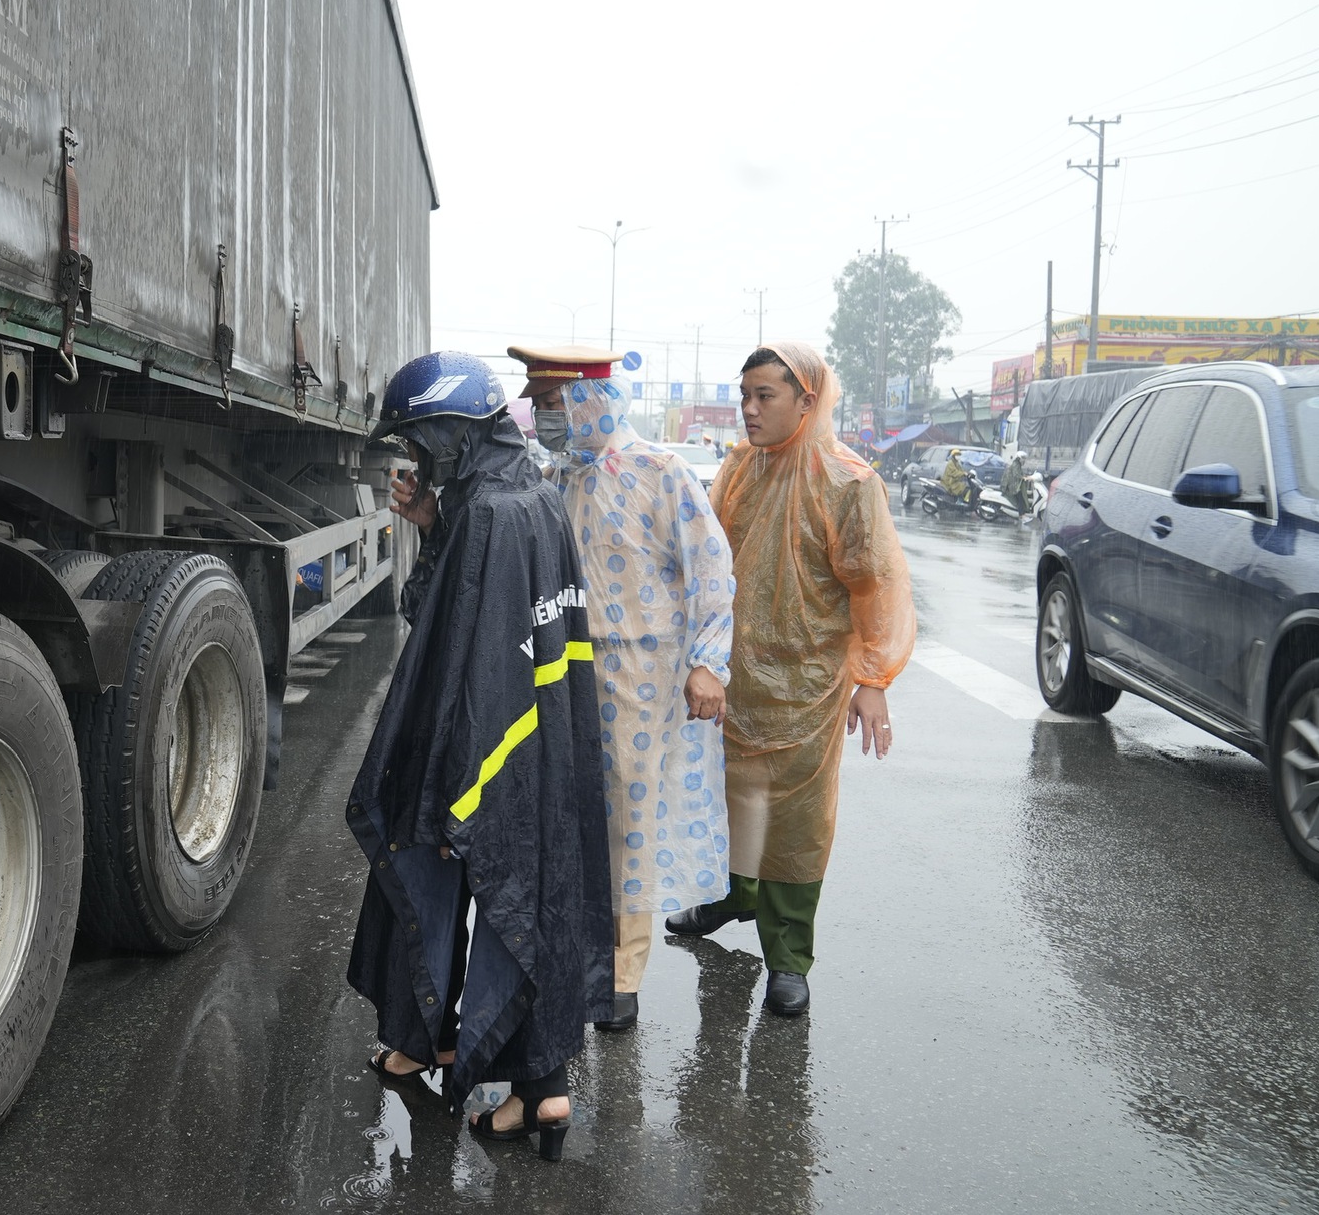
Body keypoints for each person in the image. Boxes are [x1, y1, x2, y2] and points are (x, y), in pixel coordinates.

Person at [346, 349, 612, 1162]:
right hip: (540, 743)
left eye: (421, 445)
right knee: (526, 894)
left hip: (477, 745)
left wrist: (454, 775)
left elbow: (440, 632)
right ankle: (516, 1074)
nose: (415, 462)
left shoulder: (489, 514)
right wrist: (432, 522)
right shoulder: (529, 493)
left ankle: (468, 1057)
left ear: (452, 433)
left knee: (453, 877)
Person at [664, 342, 915, 1017]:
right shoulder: (740, 467)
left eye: (763, 396)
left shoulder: (849, 482)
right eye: (743, 395)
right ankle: (728, 897)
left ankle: (788, 954)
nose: (747, 410)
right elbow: (711, 560)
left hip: (809, 684)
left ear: (807, 399)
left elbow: (875, 585)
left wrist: (873, 677)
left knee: (797, 822)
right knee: (731, 799)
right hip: (736, 675)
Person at [508, 344, 735, 1032]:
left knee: (630, 821)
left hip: (642, 672)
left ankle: (623, 970)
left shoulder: (660, 471)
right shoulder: (558, 479)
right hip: (567, 667)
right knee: (572, 811)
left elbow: (713, 570)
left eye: (551, 403)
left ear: (588, 399)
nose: (545, 418)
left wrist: (707, 662)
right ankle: (578, 950)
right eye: (540, 405)